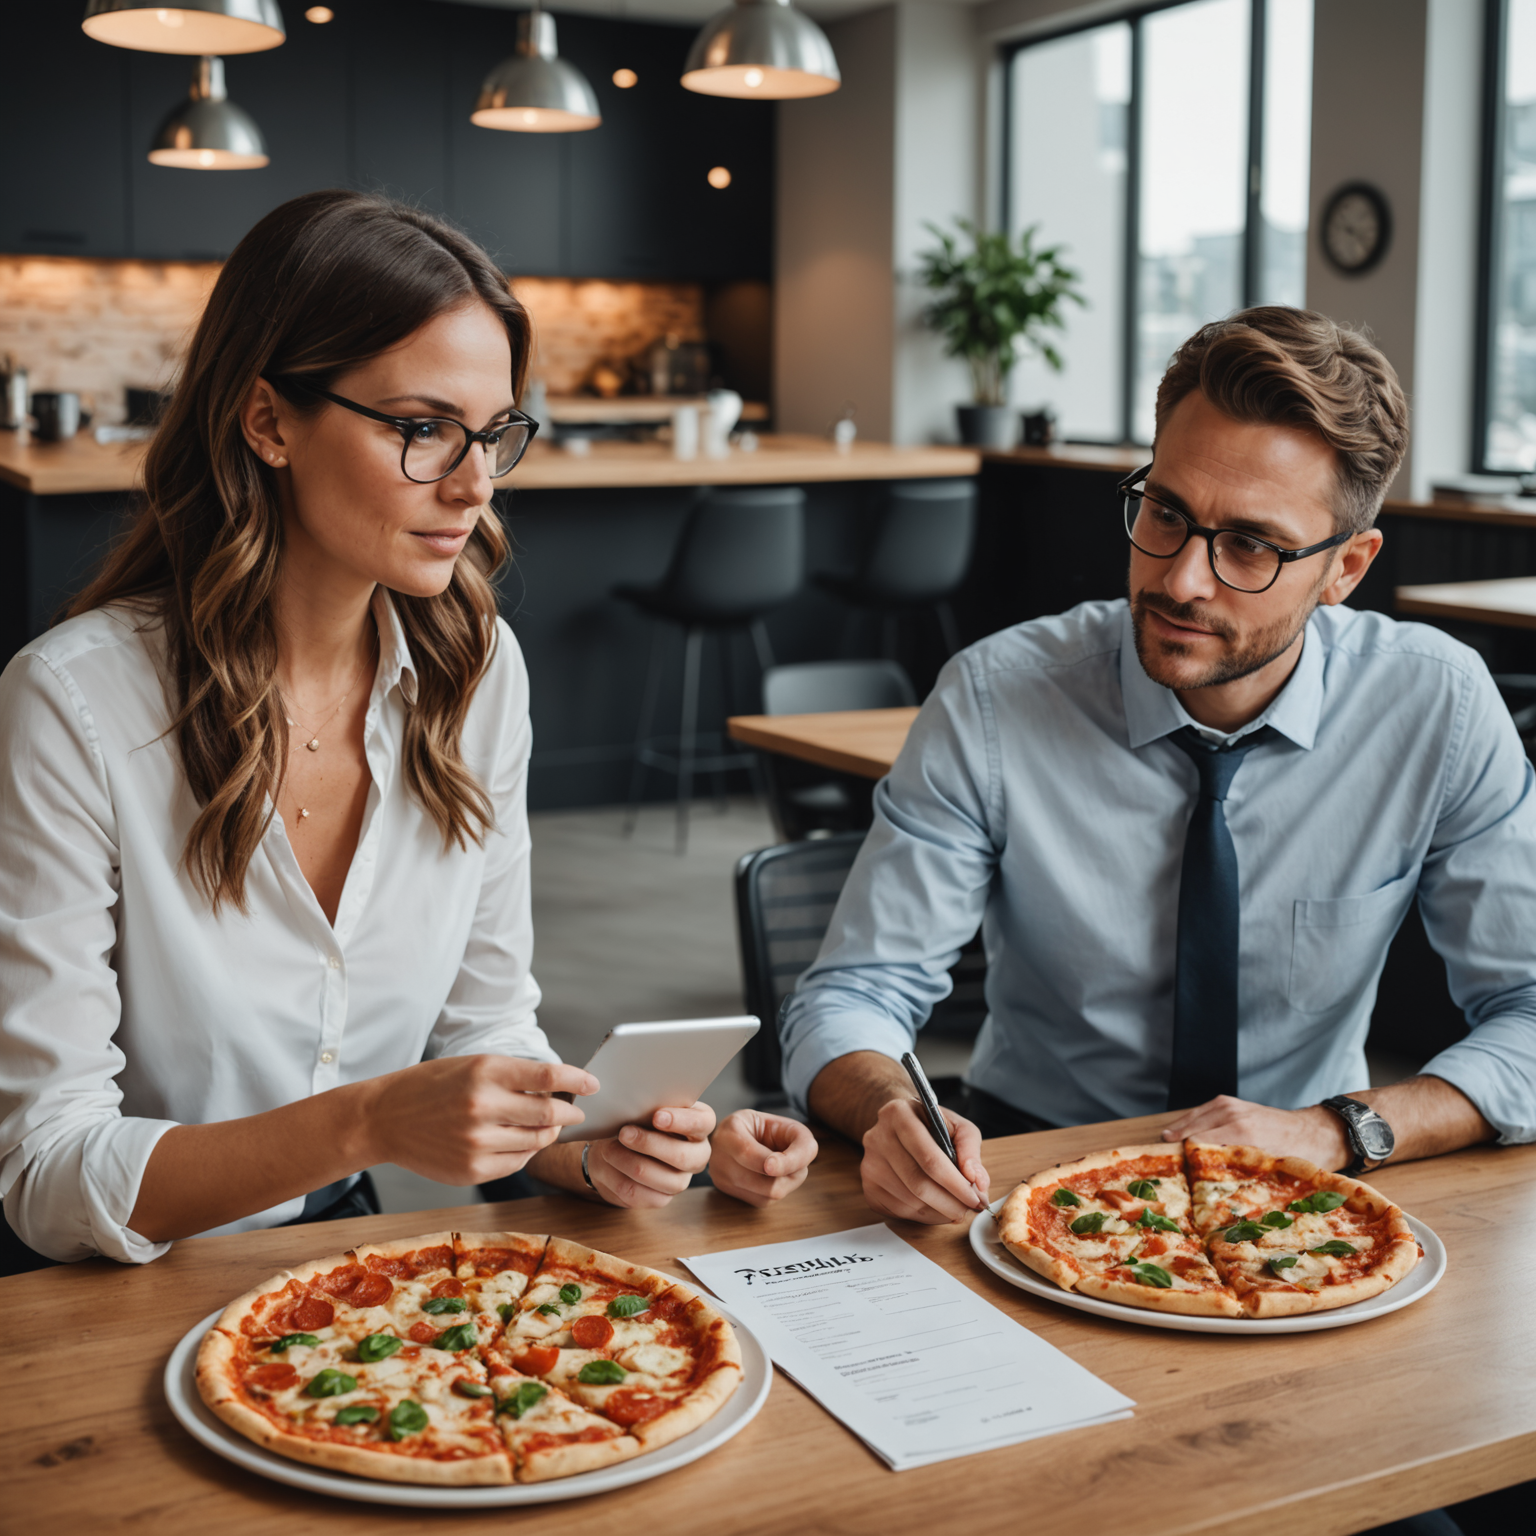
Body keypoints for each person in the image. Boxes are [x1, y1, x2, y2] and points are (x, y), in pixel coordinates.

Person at [0, 190, 812, 1272]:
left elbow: (488, 1027)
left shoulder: (474, 677)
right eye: (424, 429)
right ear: (268, 421)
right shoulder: (75, 704)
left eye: (493, 434)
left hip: (336, 1257)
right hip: (95, 1285)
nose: (475, 485)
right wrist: (368, 1123)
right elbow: (48, 1178)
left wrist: (594, 1144)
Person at [781, 306, 1536, 1226]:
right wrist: (893, 1110)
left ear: (1347, 568)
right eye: (1165, 514)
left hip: (1310, 1174)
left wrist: (1343, 1130)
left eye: (1251, 545)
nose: (1180, 578)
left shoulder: (1438, 707)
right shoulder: (994, 697)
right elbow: (855, 994)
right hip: (1028, 1164)